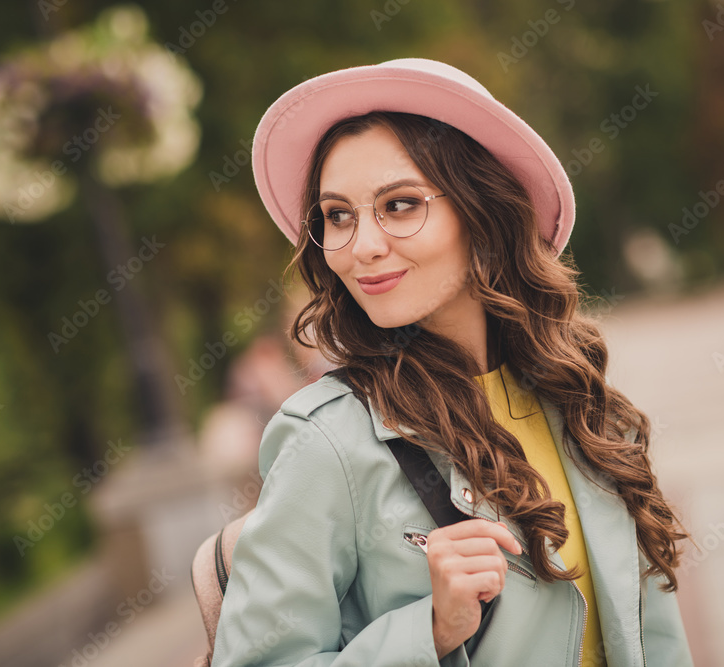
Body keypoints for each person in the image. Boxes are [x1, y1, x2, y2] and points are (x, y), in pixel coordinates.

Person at [210, 58, 693, 667]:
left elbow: (656, 638)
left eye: (400, 205)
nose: (363, 246)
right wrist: (429, 633)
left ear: (481, 210)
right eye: (338, 216)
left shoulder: (579, 400)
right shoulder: (326, 440)